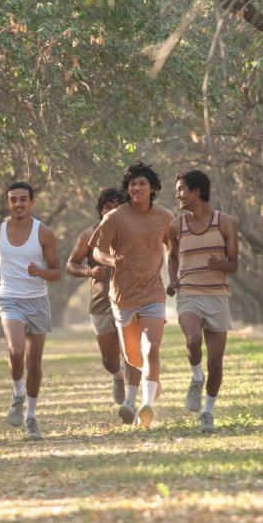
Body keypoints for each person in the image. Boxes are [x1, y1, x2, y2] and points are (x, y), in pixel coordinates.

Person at [89, 162, 174, 428]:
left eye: (142, 183)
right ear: (128, 188)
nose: (137, 188)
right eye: (132, 184)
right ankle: (134, 398)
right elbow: (97, 251)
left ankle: (146, 405)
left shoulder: (164, 217)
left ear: (152, 188)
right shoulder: (115, 217)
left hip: (152, 292)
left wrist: (175, 275)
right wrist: (112, 261)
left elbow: (173, 248)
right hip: (122, 296)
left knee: (152, 349)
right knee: (132, 355)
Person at [0, 182, 61, 440]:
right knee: (16, 351)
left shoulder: (44, 234)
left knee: (34, 363)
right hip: (10, 299)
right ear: (7, 204)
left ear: (32, 203)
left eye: (23, 199)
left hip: (37, 302)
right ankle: (17, 394)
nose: (18, 204)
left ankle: (31, 417)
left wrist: (39, 272)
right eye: (13, 200)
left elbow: (57, 273)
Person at [166, 170, 239, 433]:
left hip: (218, 295)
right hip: (189, 294)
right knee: (192, 339)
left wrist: (220, 264)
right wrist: (173, 280)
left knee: (216, 363)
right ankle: (196, 378)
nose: (178, 195)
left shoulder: (226, 223)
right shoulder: (177, 225)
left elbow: (234, 265)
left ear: (197, 191)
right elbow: (172, 256)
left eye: (182, 189)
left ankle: (208, 411)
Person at [65, 187, 131, 405]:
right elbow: (71, 265)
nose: (111, 212)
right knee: (110, 360)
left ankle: (133, 401)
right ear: (101, 211)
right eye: (107, 208)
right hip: (100, 304)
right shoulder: (89, 235)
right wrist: (89, 272)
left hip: (129, 301)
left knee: (131, 354)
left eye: (117, 207)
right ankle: (118, 377)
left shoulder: (133, 233)